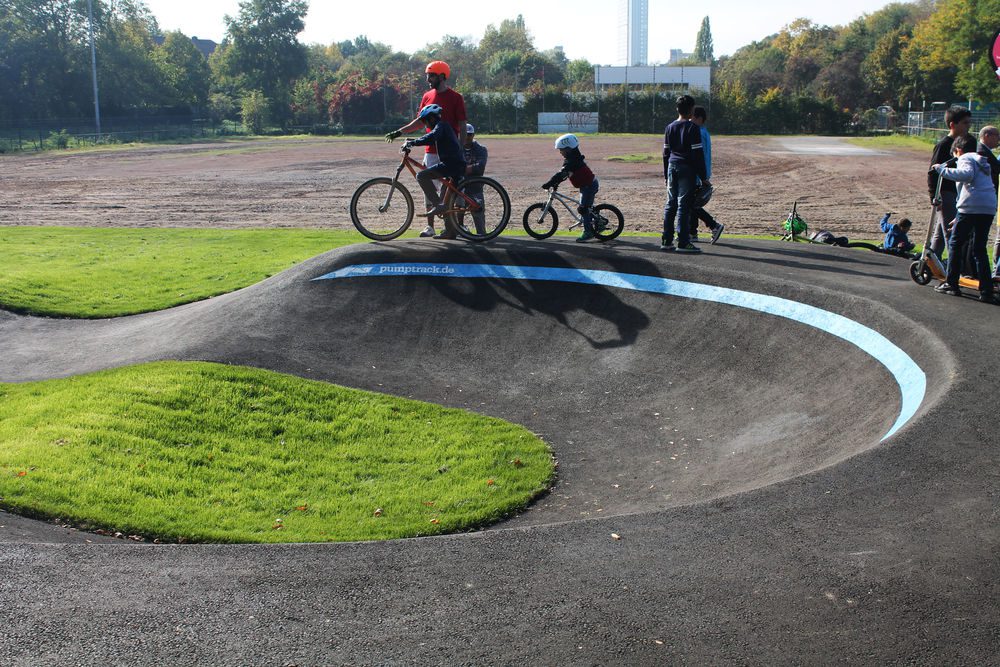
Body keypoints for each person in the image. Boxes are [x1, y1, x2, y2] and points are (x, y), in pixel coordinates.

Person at [385, 61, 468, 238]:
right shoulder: (427, 96)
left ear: (442, 76)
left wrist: (461, 148)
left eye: (431, 76)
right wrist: (399, 132)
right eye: (427, 76)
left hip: (449, 151)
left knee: (451, 190)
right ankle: (430, 227)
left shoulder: (456, 97)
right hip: (431, 150)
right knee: (429, 189)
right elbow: (420, 122)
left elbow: (462, 124)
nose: (428, 79)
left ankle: (458, 227)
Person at [931, 133, 997, 303]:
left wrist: (941, 170)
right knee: (979, 248)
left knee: (955, 243)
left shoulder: (966, 157)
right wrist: (959, 215)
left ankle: (951, 283)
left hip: (971, 206)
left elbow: (966, 174)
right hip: (987, 207)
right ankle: (986, 290)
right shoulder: (983, 161)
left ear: (958, 150)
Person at [402, 104, 466, 240]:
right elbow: (430, 137)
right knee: (446, 199)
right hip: (453, 164)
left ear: (431, 118)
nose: (425, 125)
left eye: (425, 121)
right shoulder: (441, 127)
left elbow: (431, 137)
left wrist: (413, 143)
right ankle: (450, 232)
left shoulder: (441, 126)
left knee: (421, 176)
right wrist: (412, 141)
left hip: (452, 165)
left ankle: (438, 205)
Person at [662, 94, 709, 254]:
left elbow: (666, 153)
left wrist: (665, 175)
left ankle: (666, 240)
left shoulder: (670, 127)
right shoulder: (692, 128)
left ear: (677, 109)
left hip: (672, 166)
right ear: (691, 110)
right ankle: (683, 242)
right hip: (687, 168)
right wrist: (704, 177)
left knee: (670, 204)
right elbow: (698, 155)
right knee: (684, 206)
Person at [927, 106, 972, 259]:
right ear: (953, 124)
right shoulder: (944, 145)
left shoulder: (965, 144)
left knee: (940, 234)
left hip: (958, 194)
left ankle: (931, 262)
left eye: (969, 122)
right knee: (951, 232)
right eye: (965, 123)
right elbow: (933, 172)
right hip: (946, 193)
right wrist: (934, 196)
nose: (968, 126)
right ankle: (956, 267)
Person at [541, 133, 599, 242]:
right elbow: (564, 174)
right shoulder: (572, 159)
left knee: (583, 209)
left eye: (561, 150)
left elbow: (561, 174)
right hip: (587, 185)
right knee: (586, 207)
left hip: (588, 186)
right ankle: (596, 223)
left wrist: (549, 183)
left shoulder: (573, 161)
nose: (560, 152)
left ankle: (588, 232)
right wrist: (555, 182)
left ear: (568, 149)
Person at [689, 105, 724, 245]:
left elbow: (699, 155)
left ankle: (714, 225)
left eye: (692, 117)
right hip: (702, 173)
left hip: (698, 174)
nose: (690, 120)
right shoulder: (705, 132)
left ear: (699, 118)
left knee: (691, 205)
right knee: (692, 204)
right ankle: (692, 232)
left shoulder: (698, 132)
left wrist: (701, 176)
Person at [461, 123, 488, 235]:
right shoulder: (457, 148)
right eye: (465, 134)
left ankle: (481, 236)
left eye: (469, 134)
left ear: (473, 135)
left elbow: (480, 167)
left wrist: (463, 169)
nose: (467, 137)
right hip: (459, 187)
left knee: (479, 216)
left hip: (475, 187)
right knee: (456, 215)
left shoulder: (481, 149)